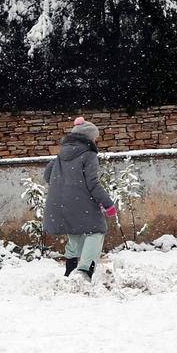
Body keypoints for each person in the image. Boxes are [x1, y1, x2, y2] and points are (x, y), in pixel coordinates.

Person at [42, 117, 117, 281]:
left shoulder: (61, 154)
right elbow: (93, 183)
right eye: (94, 138)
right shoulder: (88, 154)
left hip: (59, 202)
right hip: (80, 202)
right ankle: (84, 272)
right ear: (89, 138)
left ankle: (70, 270)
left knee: (75, 233)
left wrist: (65, 185)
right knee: (96, 231)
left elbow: (47, 175)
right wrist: (108, 204)